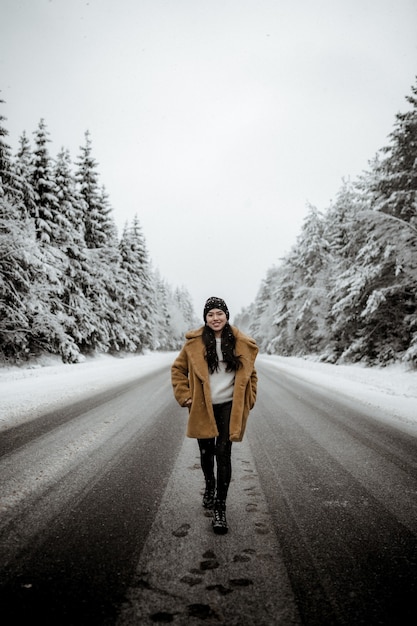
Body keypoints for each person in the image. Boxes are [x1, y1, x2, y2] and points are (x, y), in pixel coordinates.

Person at [171, 296, 258, 535]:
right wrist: (184, 395)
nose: (215, 318)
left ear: (227, 316)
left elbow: (252, 374)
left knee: (224, 453)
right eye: (210, 314)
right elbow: (178, 370)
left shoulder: (241, 343)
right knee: (206, 452)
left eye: (219, 313)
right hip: (203, 405)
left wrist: (249, 398)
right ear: (205, 318)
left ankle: (220, 508)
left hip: (229, 406)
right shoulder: (194, 343)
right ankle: (209, 484)